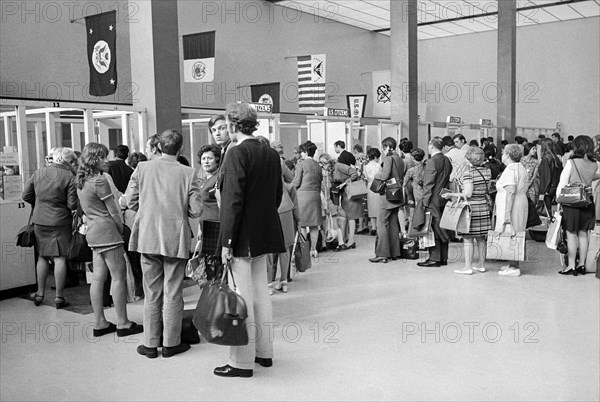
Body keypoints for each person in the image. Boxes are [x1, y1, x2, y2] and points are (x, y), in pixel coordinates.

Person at [215, 102, 285, 378]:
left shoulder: (236, 153)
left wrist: (226, 242)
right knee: (260, 296)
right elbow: (277, 195)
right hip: (265, 231)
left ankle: (241, 362)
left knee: (240, 299)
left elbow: (232, 202)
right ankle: (264, 353)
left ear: (232, 126)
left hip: (241, 237)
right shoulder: (269, 153)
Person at [127, 129, 202, 359]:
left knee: (152, 292)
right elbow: (196, 210)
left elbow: (130, 201)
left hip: (147, 237)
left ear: (158, 146)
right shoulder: (189, 173)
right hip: (175, 239)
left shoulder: (142, 168)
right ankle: (171, 343)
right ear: (180, 149)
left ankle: (150, 344)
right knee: (173, 291)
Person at [76, 143, 143, 338]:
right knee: (118, 277)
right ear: (95, 159)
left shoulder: (81, 180)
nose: (107, 161)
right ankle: (123, 322)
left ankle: (100, 322)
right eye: (103, 157)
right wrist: (121, 228)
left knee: (98, 277)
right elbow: (113, 210)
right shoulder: (99, 180)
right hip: (107, 231)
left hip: (93, 232)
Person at [22, 147, 78, 309]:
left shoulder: (39, 172)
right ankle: (59, 297)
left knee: (42, 256)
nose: (74, 164)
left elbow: (26, 195)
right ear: (66, 161)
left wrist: (39, 203)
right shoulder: (69, 176)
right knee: (60, 257)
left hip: (40, 220)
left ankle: (40, 293)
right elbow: (72, 204)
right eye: (73, 161)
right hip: (60, 221)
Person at [441, 147, 492, 275]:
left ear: (468, 159)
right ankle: (481, 265)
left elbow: (468, 193)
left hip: (471, 208)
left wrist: (452, 195)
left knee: (468, 238)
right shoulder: (487, 172)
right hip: (483, 206)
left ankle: (468, 267)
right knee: (481, 238)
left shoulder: (468, 173)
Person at [556, 136, 599, 276]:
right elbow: (592, 177)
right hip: (587, 202)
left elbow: (562, 183)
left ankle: (572, 265)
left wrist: (558, 201)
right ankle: (582, 265)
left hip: (571, 202)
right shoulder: (595, 164)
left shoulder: (571, 162)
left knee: (571, 233)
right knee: (583, 234)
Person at [493, 144, 529, 277]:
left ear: (508, 155)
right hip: (520, 203)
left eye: (503, 153)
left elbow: (511, 192)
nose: (501, 155)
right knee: (517, 231)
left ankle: (514, 266)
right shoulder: (520, 167)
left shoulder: (510, 169)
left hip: (512, 205)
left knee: (511, 232)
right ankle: (513, 263)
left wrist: (507, 213)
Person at [417, 137, 452, 267]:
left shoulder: (432, 161)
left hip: (433, 198)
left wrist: (425, 202)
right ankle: (444, 257)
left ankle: (434, 258)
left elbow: (429, 183)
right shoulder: (447, 160)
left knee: (433, 227)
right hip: (444, 196)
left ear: (431, 146)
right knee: (443, 226)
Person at [369, 137, 405, 263]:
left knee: (381, 223)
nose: (382, 151)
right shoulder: (400, 159)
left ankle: (382, 253)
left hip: (388, 195)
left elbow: (384, 175)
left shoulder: (388, 159)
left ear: (387, 147)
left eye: (383, 148)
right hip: (397, 193)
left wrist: (376, 175)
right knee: (394, 223)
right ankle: (395, 252)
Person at [292, 140, 323, 258]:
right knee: (315, 224)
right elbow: (319, 183)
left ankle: (304, 249)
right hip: (315, 196)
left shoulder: (301, 164)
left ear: (305, 151)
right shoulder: (318, 166)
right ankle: (313, 249)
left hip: (303, 196)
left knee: (303, 224)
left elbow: (296, 182)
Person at [332, 148, 363, 251]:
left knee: (351, 216)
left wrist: (344, 184)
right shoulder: (336, 167)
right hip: (346, 193)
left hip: (350, 192)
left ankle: (351, 240)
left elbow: (354, 173)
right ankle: (349, 239)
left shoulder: (339, 166)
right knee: (349, 216)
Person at [538, 138, 563, 214]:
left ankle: (550, 224)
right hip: (555, 186)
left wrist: (542, 191)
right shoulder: (556, 158)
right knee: (551, 209)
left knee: (546, 210)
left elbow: (546, 176)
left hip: (548, 188)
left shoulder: (546, 158)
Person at [404, 148, 426, 228]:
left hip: (415, 195)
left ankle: (413, 235)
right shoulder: (427, 168)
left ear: (413, 158)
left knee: (413, 217)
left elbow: (404, 183)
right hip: (426, 194)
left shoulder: (411, 170)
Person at [364, 147, 382, 236]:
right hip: (377, 185)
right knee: (378, 207)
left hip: (369, 186)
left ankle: (373, 227)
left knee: (371, 207)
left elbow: (366, 178)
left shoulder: (366, 166)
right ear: (375, 157)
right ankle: (379, 228)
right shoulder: (378, 166)